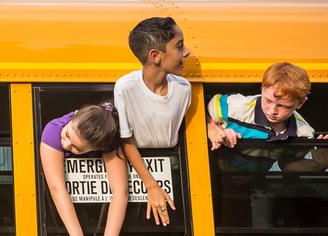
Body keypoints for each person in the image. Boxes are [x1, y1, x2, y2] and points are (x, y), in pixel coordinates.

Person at [114, 17, 191, 227]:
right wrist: (151, 186)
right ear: (155, 56)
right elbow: (126, 140)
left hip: (175, 170)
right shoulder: (125, 88)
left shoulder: (184, 89)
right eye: (179, 46)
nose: (187, 52)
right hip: (137, 174)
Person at [207, 62, 327, 171]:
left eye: (283, 106)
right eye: (268, 100)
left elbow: (286, 166)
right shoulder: (233, 107)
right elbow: (198, 108)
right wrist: (213, 128)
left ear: (300, 103)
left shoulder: (303, 132)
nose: (272, 110)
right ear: (262, 89)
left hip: (255, 183)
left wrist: (319, 163)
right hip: (219, 174)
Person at [40, 102, 127, 236]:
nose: (66, 144)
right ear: (75, 114)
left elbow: (121, 192)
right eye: (68, 134)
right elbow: (57, 190)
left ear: (99, 148)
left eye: (77, 148)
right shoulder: (54, 131)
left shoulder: (108, 140)